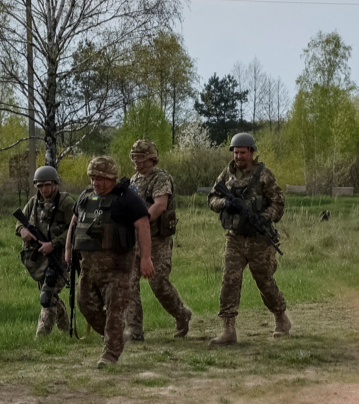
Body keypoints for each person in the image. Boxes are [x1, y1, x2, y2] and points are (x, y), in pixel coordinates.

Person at [64, 156, 155, 368]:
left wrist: (146, 258)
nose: (95, 182)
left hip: (117, 268)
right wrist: (68, 249)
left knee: (115, 311)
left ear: (112, 178)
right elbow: (74, 222)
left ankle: (110, 354)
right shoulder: (85, 197)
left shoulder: (127, 198)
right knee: (85, 305)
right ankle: (116, 336)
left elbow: (143, 226)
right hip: (88, 267)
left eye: (100, 178)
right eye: (92, 177)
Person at [207, 132, 291, 346]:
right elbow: (212, 198)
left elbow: (278, 204)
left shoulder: (264, 175)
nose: (238, 157)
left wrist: (264, 217)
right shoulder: (227, 173)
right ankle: (228, 329)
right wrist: (225, 204)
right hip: (234, 238)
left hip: (259, 240)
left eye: (242, 153)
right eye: (235, 152)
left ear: (252, 152)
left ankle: (281, 317)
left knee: (265, 282)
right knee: (229, 281)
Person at [124, 139, 193, 340]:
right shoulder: (132, 181)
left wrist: (141, 221)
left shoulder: (161, 179)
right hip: (134, 240)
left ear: (152, 159)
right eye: (134, 157)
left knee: (158, 283)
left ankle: (181, 314)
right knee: (128, 284)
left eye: (141, 157)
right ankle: (134, 329)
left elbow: (160, 205)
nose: (137, 161)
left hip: (157, 240)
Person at [16, 165, 75, 337]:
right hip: (39, 258)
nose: (44, 189)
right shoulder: (33, 202)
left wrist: (54, 243)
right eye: (40, 185)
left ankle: (41, 338)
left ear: (55, 184)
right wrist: (22, 231)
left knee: (47, 297)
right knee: (50, 296)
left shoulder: (65, 202)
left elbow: (75, 228)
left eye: (47, 185)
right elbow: (20, 222)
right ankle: (66, 331)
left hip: (59, 256)